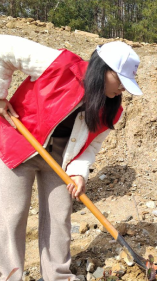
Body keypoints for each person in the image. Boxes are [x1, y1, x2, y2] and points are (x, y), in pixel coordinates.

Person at [0, 35, 143, 281]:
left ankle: (57, 276)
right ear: (103, 70)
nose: (122, 89)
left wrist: (79, 172)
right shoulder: (59, 64)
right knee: (12, 215)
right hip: (19, 141)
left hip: (61, 157)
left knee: (59, 217)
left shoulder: (112, 110)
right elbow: (4, 47)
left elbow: (91, 145)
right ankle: (9, 276)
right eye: (120, 80)